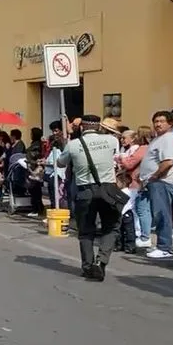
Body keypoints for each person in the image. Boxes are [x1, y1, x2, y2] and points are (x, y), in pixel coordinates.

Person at [57, 115, 122, 281]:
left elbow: (60, 163)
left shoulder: (73, 145)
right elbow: (117, 158)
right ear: (99, 127)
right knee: (111, 226)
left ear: (81, 127)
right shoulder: (112, 140)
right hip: (108, 188)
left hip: (85, 190)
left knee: (86, 230)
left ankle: (87, 266)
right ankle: (102, 261)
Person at [141, 111, 173, 259]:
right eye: (156, 121)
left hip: (162, 182)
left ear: (170, 123)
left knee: (162, 213)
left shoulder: (168, 139)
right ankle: (162, 245)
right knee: (158, 213)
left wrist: (155, 176)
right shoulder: (160, 138)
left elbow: (168, 162)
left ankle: (164, 247)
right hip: (156, 182)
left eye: (162, 121)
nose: (158, 124)